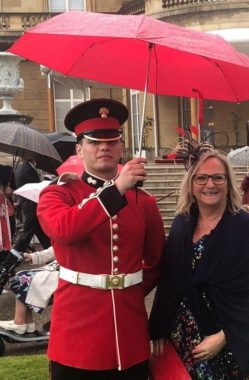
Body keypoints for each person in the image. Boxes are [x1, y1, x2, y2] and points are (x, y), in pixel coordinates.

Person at [37, 98, 165, 379]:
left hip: (129, 334)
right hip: (76, 336)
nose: (104, 147)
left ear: (121, 147)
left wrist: (125, 289)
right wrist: (117, 189)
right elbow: (64, 230)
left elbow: (156, 262)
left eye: (111, 140)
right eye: (94, 142)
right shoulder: (58, 193)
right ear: (79, 149)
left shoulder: (143, 202)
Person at [149, 142, 249, 379]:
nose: (210, 185)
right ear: (191, 184)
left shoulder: (248, 229)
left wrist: (224, 336)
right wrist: (157, 327)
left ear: (228, 183)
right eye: (201, 178)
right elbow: (169, 281)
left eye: (218, 177)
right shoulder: (181, 224)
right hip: (179, 340)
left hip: (221, 342)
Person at [0, 246, 57, 334]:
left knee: (23, 279)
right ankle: (28, 323)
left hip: (69, 274)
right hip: (60, 270)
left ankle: (19, 323)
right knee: (23, 276)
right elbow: (57, 249)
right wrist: (33, 256)